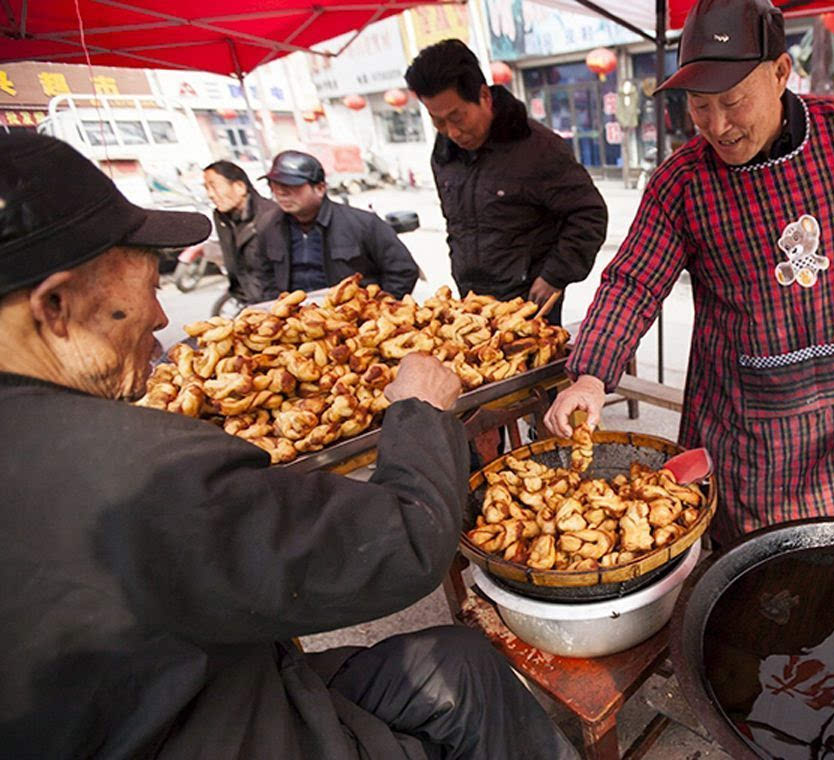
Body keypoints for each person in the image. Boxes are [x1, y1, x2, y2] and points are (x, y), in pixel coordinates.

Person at [0, 132, 577, 759]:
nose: (163, 319)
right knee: (460, 691)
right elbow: (402, 547)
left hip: (200, 692)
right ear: (55, 306)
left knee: (459, 661)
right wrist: (421, 413)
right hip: (237, 734)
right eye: (146, 286)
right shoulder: (136, 472)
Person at [545, 0, 834, 546]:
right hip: (751, 405)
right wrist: (591, 375)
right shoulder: (683, 183)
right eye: (699, 106)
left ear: (780, 72)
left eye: (733, 101)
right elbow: (634, 281)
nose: (718, 126)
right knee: (759, 555)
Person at [405, 40, 607, 325]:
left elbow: (589, 214)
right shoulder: (444, 154)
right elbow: (457, 225)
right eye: (438, 122)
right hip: (470, 303)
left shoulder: (538, 148)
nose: (451, 132)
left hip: (527, 304)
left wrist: (555, 276)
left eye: (457, 117)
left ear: (484, 96)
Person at [255, 150, 420, 299]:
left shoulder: (363, 224)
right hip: (295, 323)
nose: (281, 193)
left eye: (291, 186)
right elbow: (264, 276)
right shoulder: (269, 226)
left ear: (320, 188)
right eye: (274, 185)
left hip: (351, 321)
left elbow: (403, 270)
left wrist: (379, 309)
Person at [202, 160, 281, 303]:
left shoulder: (271, 216)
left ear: (240, 187)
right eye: (206, 188)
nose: (211, 195)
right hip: (248, 301)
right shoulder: (222, 218)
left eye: (214, 187)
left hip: (275, 303)